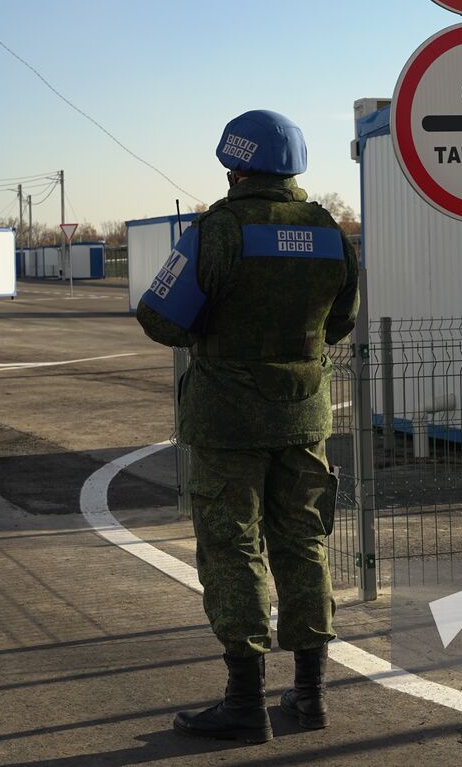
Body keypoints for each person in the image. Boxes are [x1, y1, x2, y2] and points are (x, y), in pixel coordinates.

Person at [136, 109, 360, 744]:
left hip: (226, 419)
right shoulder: (328, 232)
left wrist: (214, 336)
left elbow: (159, 316)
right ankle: (311, 696)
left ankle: (244, 704)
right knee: (305, 545)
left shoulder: (219, 231)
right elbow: (342, 318)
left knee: (234, 548)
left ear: (235, 163)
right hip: (304, 415)